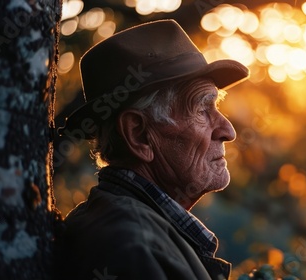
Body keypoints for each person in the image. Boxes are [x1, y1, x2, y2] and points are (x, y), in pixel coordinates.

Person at [55, 19, 249, 280]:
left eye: (217, 108)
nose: (228, 130)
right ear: (139, 135)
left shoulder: (129, 230)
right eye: (202, 110)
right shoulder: (131, 246)